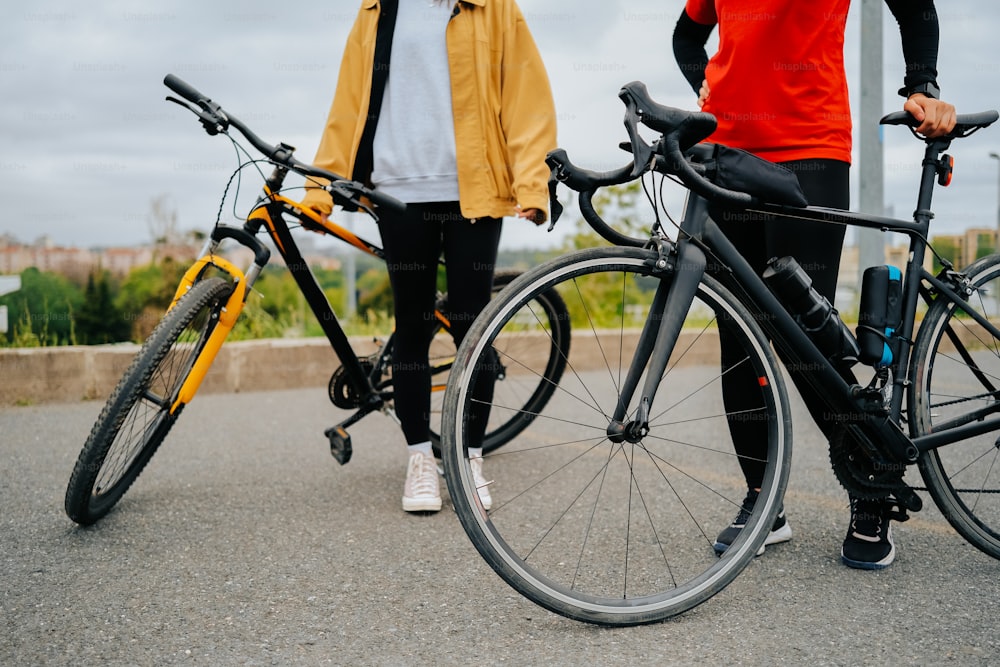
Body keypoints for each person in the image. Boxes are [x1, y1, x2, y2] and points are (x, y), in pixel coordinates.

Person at [672, 0, 956, 569]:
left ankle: (872, 484)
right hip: (726, 154)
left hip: (810, 148)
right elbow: (686, 36)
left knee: (807, 330)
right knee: (738, 334)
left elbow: (915, 8)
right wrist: (707, 85)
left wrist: (921, 83)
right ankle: (762, 501)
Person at [301, 0, 557, 513]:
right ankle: (421, 457)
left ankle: (469, 458)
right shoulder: (378, 9)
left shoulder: (492, 7)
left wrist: (533, 181)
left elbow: (525, 96)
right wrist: (321, 185)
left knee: (472, 326)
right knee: (413, 328)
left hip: (475, 193)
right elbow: (347, 104)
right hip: (398, 193)